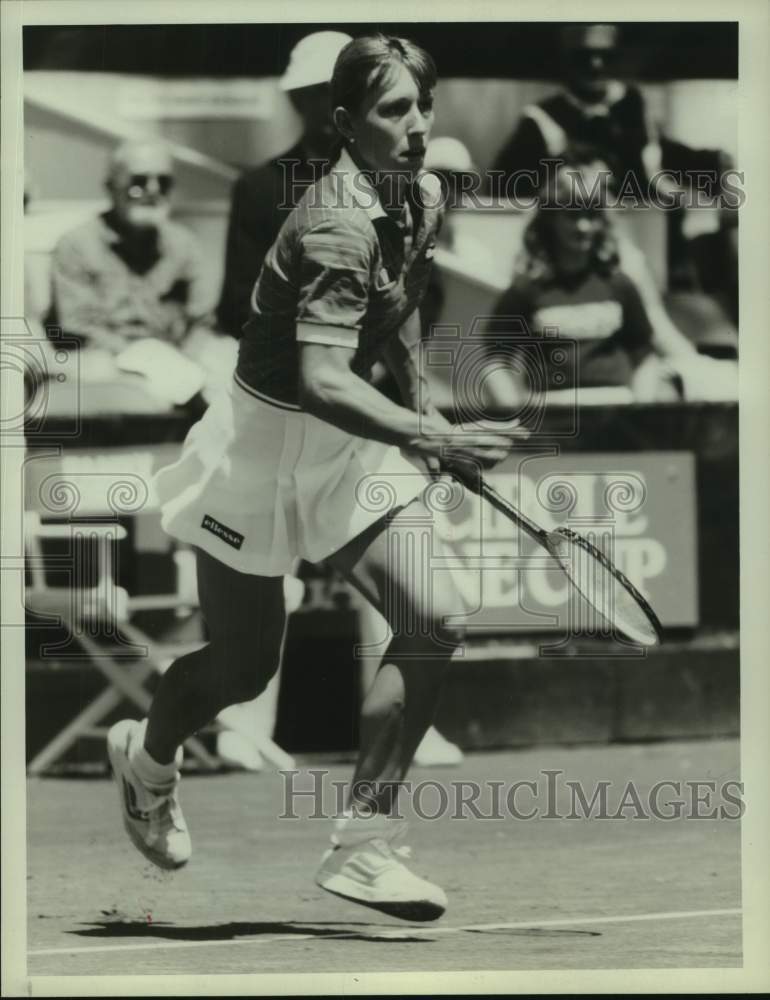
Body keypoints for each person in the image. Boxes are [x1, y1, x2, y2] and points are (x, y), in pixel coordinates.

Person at [106, 34, 519, 921]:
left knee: (435, 618)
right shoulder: (334, 219)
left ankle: (364, 847)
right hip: (261, 448)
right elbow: (323, 380)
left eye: (424, 107)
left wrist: (423, 421)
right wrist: (428, 438)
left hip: (344, 449)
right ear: (343, 124)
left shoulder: (423, 194)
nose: (416, 128)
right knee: (244, 670)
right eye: (392, 111)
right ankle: (147, 760)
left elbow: (398, 314)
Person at [482, 157, 699, 408]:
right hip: (553, 417)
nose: (584, 226)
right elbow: (496, 362)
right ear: (551, 220)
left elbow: (644, 357)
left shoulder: (620, 285)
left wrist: (638, 409)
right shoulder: (526, 291)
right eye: (572, 215)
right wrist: (517, 413)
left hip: (615, 412)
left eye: (592, 215)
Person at [215, 31, 352, 338]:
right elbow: (238, 304)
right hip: (286, 369)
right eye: (322, 91)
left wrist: (382, 359)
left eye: (347, 92)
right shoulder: (260, 189)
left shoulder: (393, 184)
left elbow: (424, 290)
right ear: (297, 98)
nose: (335, 104)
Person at [49, 140, 215, 353]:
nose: (153, 190)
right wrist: (136, 356)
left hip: (172, 359)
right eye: (139, 181)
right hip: (106, 359)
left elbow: (201, 320)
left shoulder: (184, 245)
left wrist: (187, 358)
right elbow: (77, 327)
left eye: (163, 182)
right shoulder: (76, 245)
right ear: (111, 187)